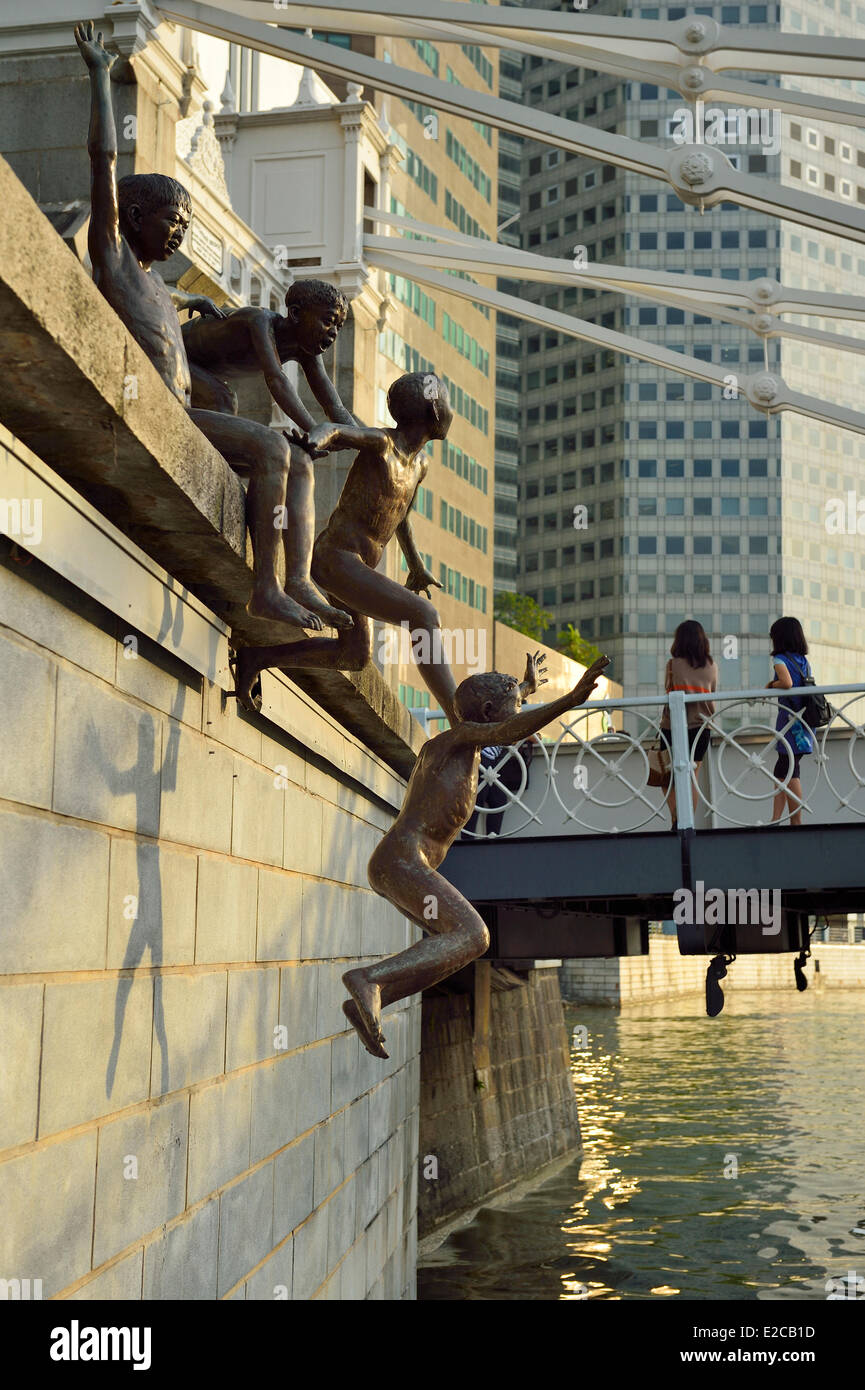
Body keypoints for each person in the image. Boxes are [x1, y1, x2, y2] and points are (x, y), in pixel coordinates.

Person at [74, 22, 340, 634]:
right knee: (273, 443)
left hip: (185, 415)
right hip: (155, 412)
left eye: (187, 224)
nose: (180, 233)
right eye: (172, 221)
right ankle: (265, 587)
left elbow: (162, 314)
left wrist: (190, 306)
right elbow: (103, 160)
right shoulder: (112, 258)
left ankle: (295, 576)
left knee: (296, 458)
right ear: (133, 216)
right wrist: (97, 74)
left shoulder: (156, 286)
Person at [342, 655, 610, 1058]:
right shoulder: (460, 739)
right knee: (474, 935)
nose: (516, 720)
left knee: (457, 946)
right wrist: (570, 700)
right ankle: (369, 980)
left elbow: (498, 717)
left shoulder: (460, 738)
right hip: (402, 860)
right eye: (513, 708)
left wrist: (524, 689)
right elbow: (505, 728)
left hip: (398, 863)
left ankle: (366, 1001)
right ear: (485, 714)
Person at [232, 372, 459, 720]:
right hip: (335, 559)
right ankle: (460, 718)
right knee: (424, 615)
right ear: (434, 409)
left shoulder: (421, 465)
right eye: (447, 401)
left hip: (357, 568)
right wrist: (312, 442)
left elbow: (402, 516)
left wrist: (416, 566)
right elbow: (336, 430)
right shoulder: (383, 443)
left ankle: (257, 657)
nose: (451, 411)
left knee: (355, 655)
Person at [659, 620, 719, 829]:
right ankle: (687, 822)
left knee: (667, 776)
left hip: (672, 727)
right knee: (691, 777)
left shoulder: (673, 665)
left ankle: (676, 819)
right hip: (702, 727)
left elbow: (669, 692)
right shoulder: (712, 666)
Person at [767, 616, 814, 827]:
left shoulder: (780, 660)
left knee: (789, 770)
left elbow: (786, 683)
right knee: (783, 770)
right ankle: (777, 818)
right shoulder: (803, 661)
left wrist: (770, 685)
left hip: (790, 722)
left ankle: (795, 819)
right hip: (804, 720)